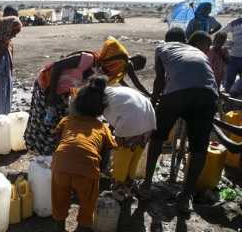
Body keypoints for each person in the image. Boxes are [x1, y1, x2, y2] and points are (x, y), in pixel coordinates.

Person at [24, 36, 148, 155]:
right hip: (47, 85)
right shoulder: (87, 58)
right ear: (109, 60)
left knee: (58, 122)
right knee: (42, 119)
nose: (108, 72)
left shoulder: (100, 68)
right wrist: (51, 94)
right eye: (110, 67)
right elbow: (57, 66)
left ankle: (51, 153)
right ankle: (39, 150)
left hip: (63, 91)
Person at [139, 29, 218, 214]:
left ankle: (147, 184)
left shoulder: (162, 47)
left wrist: (154, 101)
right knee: (199, 148)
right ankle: (185, 197)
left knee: (158, 137)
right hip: (207, 95)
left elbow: (160, 79)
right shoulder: (197, 51)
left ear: (167, 40)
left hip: (178, 94)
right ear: (185, 41)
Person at [52, 76, 117, 232]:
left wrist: (59, 161)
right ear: (102, 108)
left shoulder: (66, 121)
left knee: (60, 198)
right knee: (88, 202)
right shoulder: (102, 128)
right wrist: (99, 172)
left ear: (77, 103)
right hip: (87, 168)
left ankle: (59, 227)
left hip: (61, 165)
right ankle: (83, 227)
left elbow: (57, 141)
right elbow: (107, 153)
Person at [102, 86, 156, 201]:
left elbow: (114, 120)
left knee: (122, 157)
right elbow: (119, 112)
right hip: (149, 118)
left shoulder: (103, 100)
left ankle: (118, 190)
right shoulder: (115, 90)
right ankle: (128, 185)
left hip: (131, 122)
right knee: (134, 156)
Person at [221, 17, 242, 97]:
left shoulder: (235, 22)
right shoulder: (234, 22)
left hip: (233, 58)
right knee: (229, 82)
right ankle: (228, 102)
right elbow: (221, 34)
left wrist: (228, 43)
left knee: (231, 82)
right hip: (233, 58)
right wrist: (228, 43)